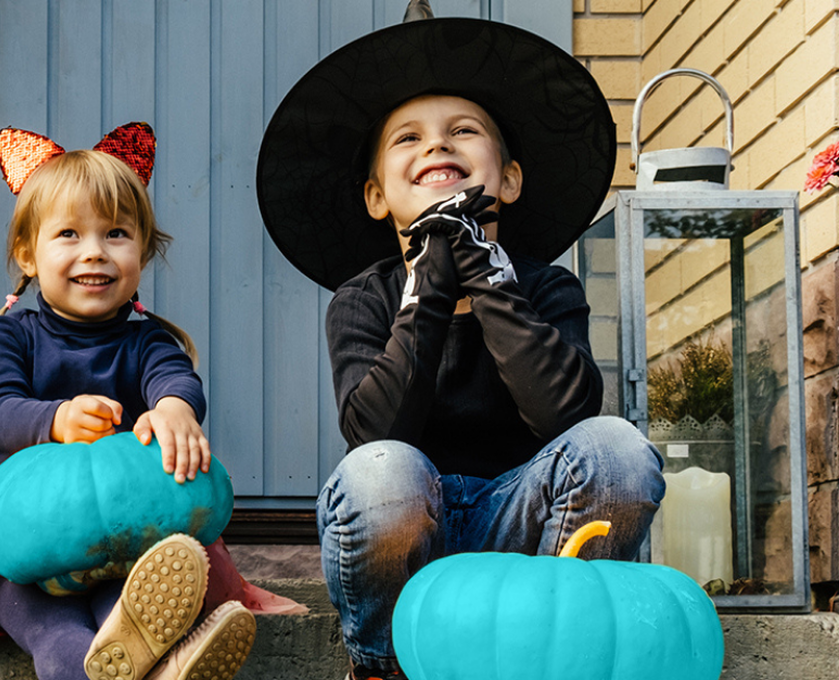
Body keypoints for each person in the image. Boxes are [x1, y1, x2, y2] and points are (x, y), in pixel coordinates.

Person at [255, 15, 666, 680]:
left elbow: (568, 416)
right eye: (409, 138)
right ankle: (387, 664)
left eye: (463, 131)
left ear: (508, 180)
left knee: (616, 449)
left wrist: (488, 274)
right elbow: (376, 432)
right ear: (375, 196)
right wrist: (428, 285)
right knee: (382, 470)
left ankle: (551, 650)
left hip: (522, 527)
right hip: (407, 530)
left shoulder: (545, 286)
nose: (437, 145)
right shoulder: (364, 298)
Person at [0, 123, 264, 680]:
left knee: (127, 614)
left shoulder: (148, 341)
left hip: (126, 543)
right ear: (28, 254)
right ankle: (153, 667)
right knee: (56, 634)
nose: (95, 252)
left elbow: (175, 379)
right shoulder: (9, 337)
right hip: (25, 549)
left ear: (141, 251)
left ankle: (159, 658)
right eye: (69, 234)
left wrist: (175, 410)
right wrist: (56, 417)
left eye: (116, 234)